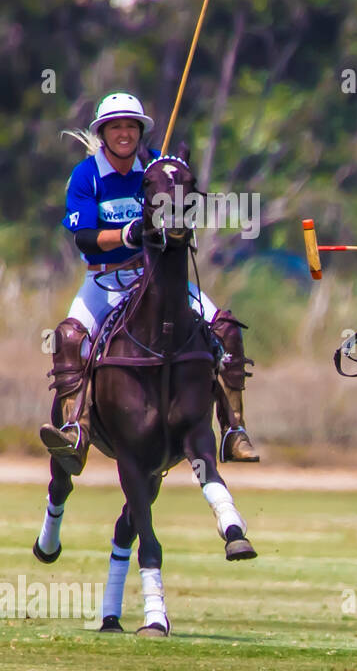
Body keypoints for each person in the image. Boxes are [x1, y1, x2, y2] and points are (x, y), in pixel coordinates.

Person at [42, 92, 259, 475]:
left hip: (154, 278)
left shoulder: (157, 167)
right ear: (103, 133)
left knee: (225, 328)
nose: (124, 133)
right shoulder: (86, 175)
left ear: (140, 132)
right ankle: (76, 428)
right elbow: (84, 237)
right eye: (116, 127)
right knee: (70, 337)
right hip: (105, 280)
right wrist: (129, 233)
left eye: (131, 126)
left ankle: (233, 428)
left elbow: (186, 209)